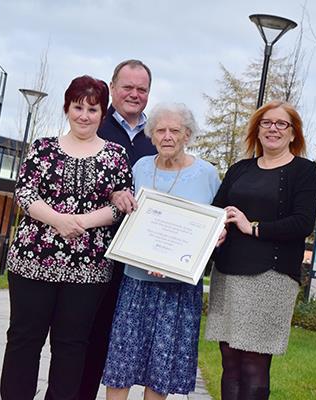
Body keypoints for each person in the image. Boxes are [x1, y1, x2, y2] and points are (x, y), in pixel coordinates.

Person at [0, 75, 132, 400]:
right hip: (32, 262)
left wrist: (81, 222)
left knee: (72, 346)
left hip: (88, 270)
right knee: (23, 340)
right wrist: (58, 221)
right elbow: (25, 192)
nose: (84, 115)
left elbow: (121, 204)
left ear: (103, 114)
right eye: (77, 107)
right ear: (67, 108)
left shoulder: (115, 155)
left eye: (92, 109)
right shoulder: (42, 148)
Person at [102, 103, 221, 399]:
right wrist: (117, 194)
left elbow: (215, 224)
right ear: (151, 135)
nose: (167, 136)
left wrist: (216, 237)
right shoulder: (140, 167)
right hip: (136, 282)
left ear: (188, 135)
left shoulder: (207, 173)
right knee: (121, 361)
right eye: (160, 130)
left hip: (178, 289)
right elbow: (124, 206)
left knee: (161, 369)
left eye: (175, 130)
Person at [205, 100, 316, 400]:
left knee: (254, 364)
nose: (273, 129)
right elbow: (216, 212)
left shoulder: (303, 171)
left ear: (293, 133)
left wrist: (252, 226)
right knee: (229, 362)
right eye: (266, 123)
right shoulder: (239, 169)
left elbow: (302, 222)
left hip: (270, 277)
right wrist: (217, 232)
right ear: (257, 130)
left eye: (281, 124)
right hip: (228, 273)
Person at [79, 59, 156, 400]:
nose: (134, 94)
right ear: (113, 87)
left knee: (120, 343)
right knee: (84, 340)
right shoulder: (93, 122)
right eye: (128, 87)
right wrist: (108, 191)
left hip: (137, 263)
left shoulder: (158, 136)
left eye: (142, 89)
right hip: (92, 254)